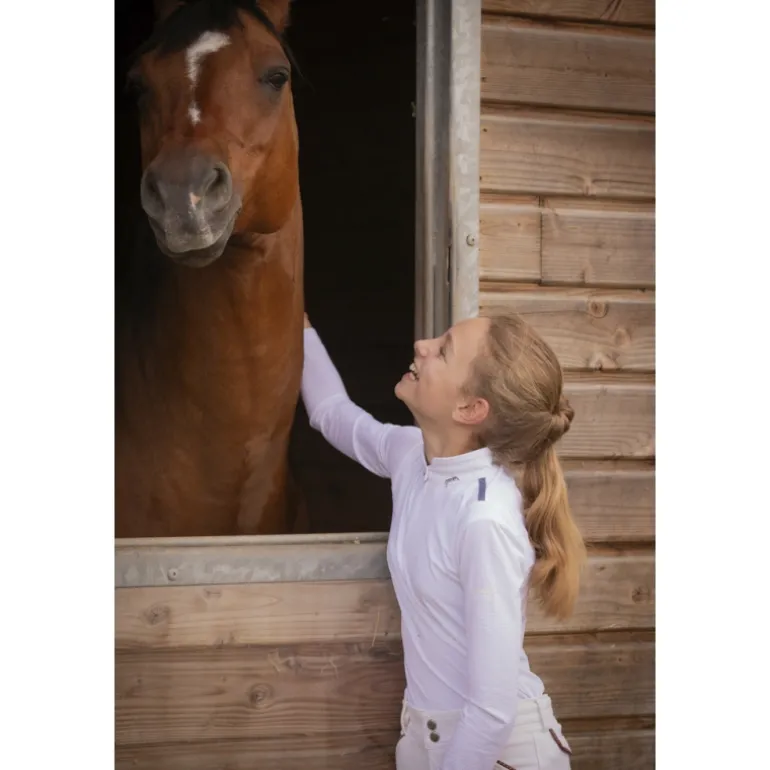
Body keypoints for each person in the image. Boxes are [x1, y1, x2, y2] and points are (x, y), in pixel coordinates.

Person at [301, 308, 586, 770]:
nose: (422, 345)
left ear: (470, 409)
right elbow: (332, 413)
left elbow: (493, 714)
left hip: (496, 755)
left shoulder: (484, 518)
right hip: (428, 742)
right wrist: (296, 320)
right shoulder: (411, 455)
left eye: (444, 349)